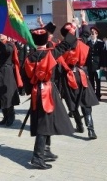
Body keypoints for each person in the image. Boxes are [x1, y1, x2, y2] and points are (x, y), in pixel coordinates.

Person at [21, 26, 76, 169]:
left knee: (47, 121)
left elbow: (26, 78)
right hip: (48, 90)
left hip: (36, 91)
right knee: (44, 124)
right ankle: (37, 157)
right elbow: (66, 44)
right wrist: (73, 27)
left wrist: (29, 90)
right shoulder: (51, 53)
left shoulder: (28, 58)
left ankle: (46, 150)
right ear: (46, 40)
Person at [59, 17, 99, 140]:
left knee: (73, 103)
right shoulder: (80, 42)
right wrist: (83, 21)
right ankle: (91, 130)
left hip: (69, 76)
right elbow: (86, 33)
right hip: (81, 75)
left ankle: (79, 125)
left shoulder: (62, 46)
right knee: (85, 102)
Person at [0, 33, 22, 127]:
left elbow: (7, 51)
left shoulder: (10, 44)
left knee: (7, 94)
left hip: (6, 71)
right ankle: (5, 116)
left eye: (1, 34)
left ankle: (11, 116)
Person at [86, 26, 104, 100]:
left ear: (97, 34)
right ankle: (92, 95)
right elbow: (86, 55)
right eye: (91, 33)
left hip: (98, 66)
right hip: (90, 65)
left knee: (98, 81)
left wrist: (102, 65)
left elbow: (102, 55)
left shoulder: (100, 43)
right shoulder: (88, 43)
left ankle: (98, 95)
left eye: (93, 33)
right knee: (91, 81)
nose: (92, 34)